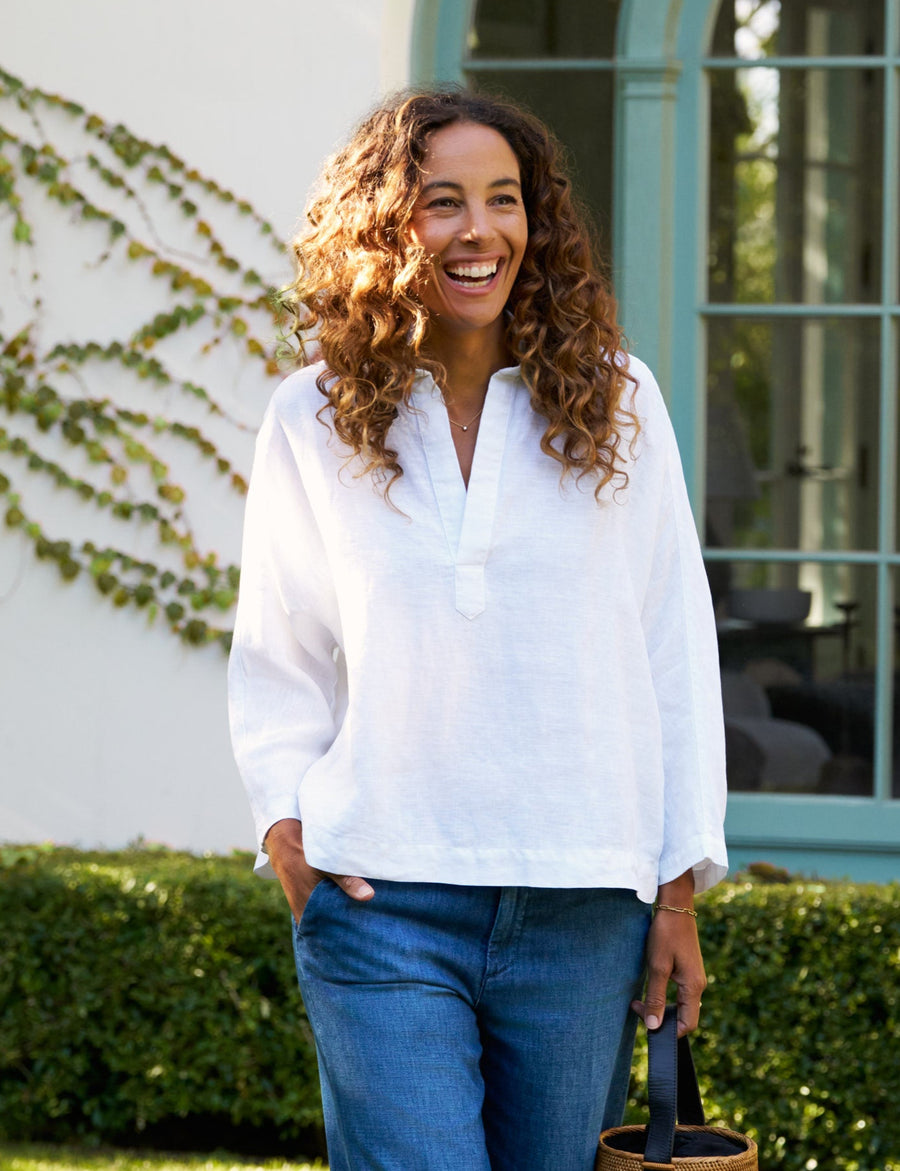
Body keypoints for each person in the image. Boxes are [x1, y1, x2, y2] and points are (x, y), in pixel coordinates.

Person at [228, 88, 728, 1171]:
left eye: (504, 201)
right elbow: (282, 648)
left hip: (584, 903)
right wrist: (286, 829)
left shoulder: (621, 405)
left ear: (534, 226)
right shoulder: (313, 420)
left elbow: (673, 649)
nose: (479, 230)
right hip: (384, 901)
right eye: (442, 201)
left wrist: (677, 883)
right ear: (384, 227)